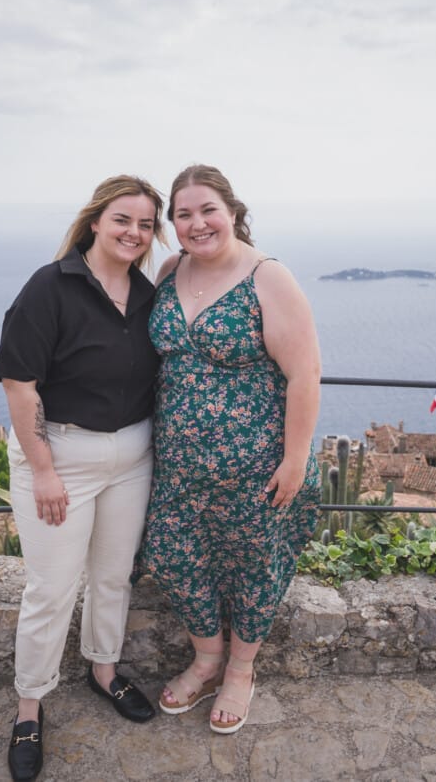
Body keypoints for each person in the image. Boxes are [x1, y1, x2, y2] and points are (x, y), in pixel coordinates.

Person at [0, 175, 167, 782]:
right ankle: (29, 708)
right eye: (123, 219)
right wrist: (42, 470)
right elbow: (19, 384)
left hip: (132, 457)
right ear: (95, 221)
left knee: (113, 576)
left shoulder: (147, 294)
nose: (134, 233)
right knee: (52, 589)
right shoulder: (51, 287)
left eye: (146, 224)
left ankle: (104, 671)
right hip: (60, 456)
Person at [139, 164, 322, 735]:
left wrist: (295, 460)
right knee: (173, 556)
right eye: (183, 214)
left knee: (254, 567)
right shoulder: (170, 271)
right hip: (178, 468)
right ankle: (206, 658)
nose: (197, 223)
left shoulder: (268, 277)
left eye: (207, 210)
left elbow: (305, 374)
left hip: (256, 467)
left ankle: (240, 671)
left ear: (233, 212)